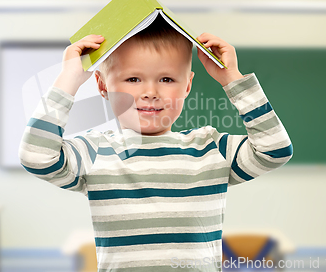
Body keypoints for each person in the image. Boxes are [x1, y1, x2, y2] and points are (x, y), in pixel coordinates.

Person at [19, 17, 293, 271]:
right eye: (133, 79)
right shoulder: (94, 152)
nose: (150, 92)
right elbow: (36, 157)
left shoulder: (210, 148)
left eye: (166, 79)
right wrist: (68, 79)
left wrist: (232, 78)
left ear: (187, 86)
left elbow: (274, 150)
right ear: (102, 86)